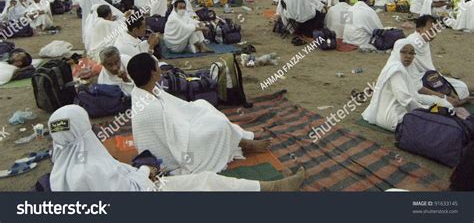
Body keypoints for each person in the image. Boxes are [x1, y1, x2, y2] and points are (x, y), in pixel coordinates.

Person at [48, 104, 304, 192]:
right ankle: (273, 188)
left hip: (144, 184)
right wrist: (145, 174)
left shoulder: (61, 170)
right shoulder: (90, 168)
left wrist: (142, 174)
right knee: (207, 181)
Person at [127, 53, 281, 176]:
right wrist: (191, 121)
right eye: (157, 66)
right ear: (153, 73)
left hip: (177, 128)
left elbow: (177, 108)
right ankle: (244, 143)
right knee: (218, 126)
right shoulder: (149, 106)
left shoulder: (144, 90)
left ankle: (239, 139)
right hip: (176, 153)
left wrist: (191, 115)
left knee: (201, 105)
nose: (161, 69)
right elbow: (173, 138)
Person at [362, 39, 452, 131]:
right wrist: (427, 109)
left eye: (411, 53)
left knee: (445, 105)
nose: (408, 56)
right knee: (436, 122)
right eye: (404, 52)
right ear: (397, 51)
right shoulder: (396, 70)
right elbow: (406, 100)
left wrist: (438, 101)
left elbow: (415, 95)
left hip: (401, 111)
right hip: (393, 118)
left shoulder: (403, 67)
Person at [408, 15, 470, 100]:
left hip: (430, 79)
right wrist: (441, 94)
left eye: (435, 31)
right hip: (417, 84)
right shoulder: (411, 44)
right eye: (430, 31)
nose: (433, 35)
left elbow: (430, 70)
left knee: (462, 87)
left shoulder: (424, 42)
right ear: (419, 29)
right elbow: (412, 80)